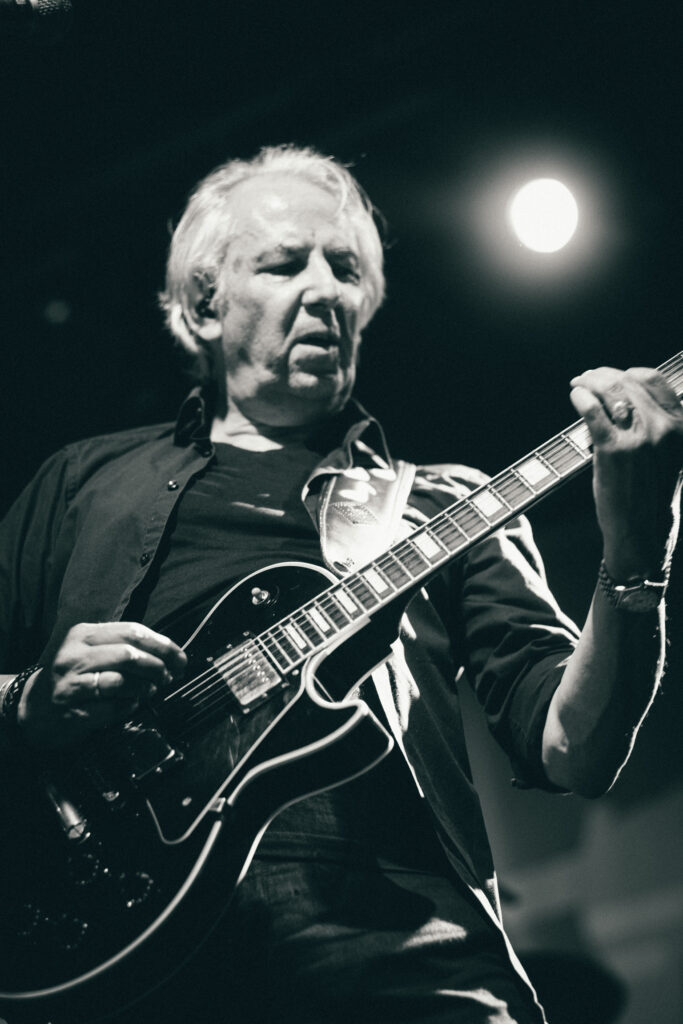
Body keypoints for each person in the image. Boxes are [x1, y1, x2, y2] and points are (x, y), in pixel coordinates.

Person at [0, 144, 681, 1024]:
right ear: (204, 304)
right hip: (106, 948)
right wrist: (24, 699)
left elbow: (572, 750)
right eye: (285, 264)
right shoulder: (81, 484)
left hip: (395, 952)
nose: (327, 291)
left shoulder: (442, 505)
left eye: (346, 270)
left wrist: (635, 551)